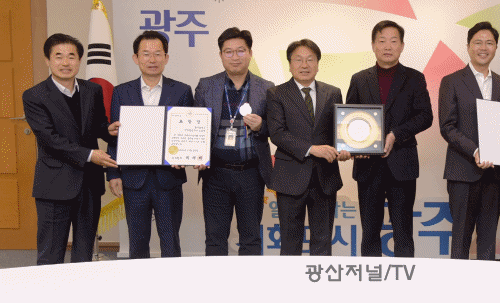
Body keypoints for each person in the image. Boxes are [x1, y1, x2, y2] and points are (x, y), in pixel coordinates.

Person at [22, 33, 119, 265]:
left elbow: (97, 125)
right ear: (48, 60)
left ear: (79, 60)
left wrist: (108, 130)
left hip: (89, 183)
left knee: (84, 252)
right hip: (54, 184)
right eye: (59, 56)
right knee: (51, 254)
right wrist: (90, 155)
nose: (65, 62)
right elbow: (50, 139)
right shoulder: (34, 96)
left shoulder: (92, 90)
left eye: (71, 56)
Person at [346, 20, 433, 257]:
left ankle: (404, 280)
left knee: (403, 232)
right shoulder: (359, 79)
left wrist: (396, 134)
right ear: (373, 45)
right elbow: (349, 119)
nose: (387, 46)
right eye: (382, 41)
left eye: (394, 41)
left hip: (402, 164)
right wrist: (355, 147)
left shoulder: (414, 78)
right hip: (367, 166)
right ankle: (371, 279)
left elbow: (425, 116)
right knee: (369, 233)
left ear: (402, 46)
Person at [106, 31, 193, 258]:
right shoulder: (121, 91)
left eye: (157, 54)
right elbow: (115, 135)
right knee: (137, 242)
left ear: (166, 57)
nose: (152, 59)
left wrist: (185, 156)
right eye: (146, 54)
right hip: (134, 179)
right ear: (136, 58)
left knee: (170, 241)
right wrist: (113, 173)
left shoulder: (182, 91)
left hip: (168, 179)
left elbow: (189, 132)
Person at [194, 28, 274, 255]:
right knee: (215, 237)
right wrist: (196, 153)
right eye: (228, 52)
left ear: (250, 53)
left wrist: (261, 126)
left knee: (251, 237)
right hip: (215, 173)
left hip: (251, 173)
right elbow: (194, 125)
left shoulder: (266, 88)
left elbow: (276, 129)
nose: (235, 57)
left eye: (240, 51)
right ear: (221, 55)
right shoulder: (206, 85)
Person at [267, 39, 349, 255]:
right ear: (290, 64)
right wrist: (312, 149)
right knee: (290, 243)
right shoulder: (276, 94)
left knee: (323, 242)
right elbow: (277, 133)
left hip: (325, 177)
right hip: (290, 177)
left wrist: (345, 148)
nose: (304, 65)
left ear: (318, 64)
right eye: (298, 60)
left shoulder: (333, 92)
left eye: (310, 59)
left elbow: (338, 131)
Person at [438, 21, 500, 260]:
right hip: (463, 171)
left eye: (489, 43)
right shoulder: (451, 81)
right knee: (461, 237)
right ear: (469, 46)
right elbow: (447, 126)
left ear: (496, 47)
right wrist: (475, 151)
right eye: (478, 42)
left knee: (488, 239)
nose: (483, 47)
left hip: (495, 174)